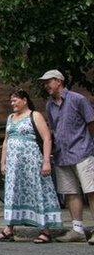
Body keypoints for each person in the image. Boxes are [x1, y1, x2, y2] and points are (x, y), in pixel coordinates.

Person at [0, 90, 62, 243]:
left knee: (36, 192)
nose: (12, 104)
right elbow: (6, 141)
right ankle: (8, 229)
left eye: (15, 100)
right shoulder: (10, 118)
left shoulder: (34, 115)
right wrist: (3, 162)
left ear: (24, 100)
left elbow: (47, 138)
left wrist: (46, 161)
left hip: (32, 164)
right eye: (11, 101)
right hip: (14, 165)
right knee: (12, 193)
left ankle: (45, 230)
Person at [39, 70, 94, 243]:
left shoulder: (78, 99)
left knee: (91, 191)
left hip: (82, 151)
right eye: (45, 82)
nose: (46, 85)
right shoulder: (49, 105)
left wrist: (90, 145)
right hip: (62, 155)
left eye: (49, 81)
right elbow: (54, 129)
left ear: (59, 81)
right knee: (71, 193)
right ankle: (77, 230)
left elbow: (91, 123)